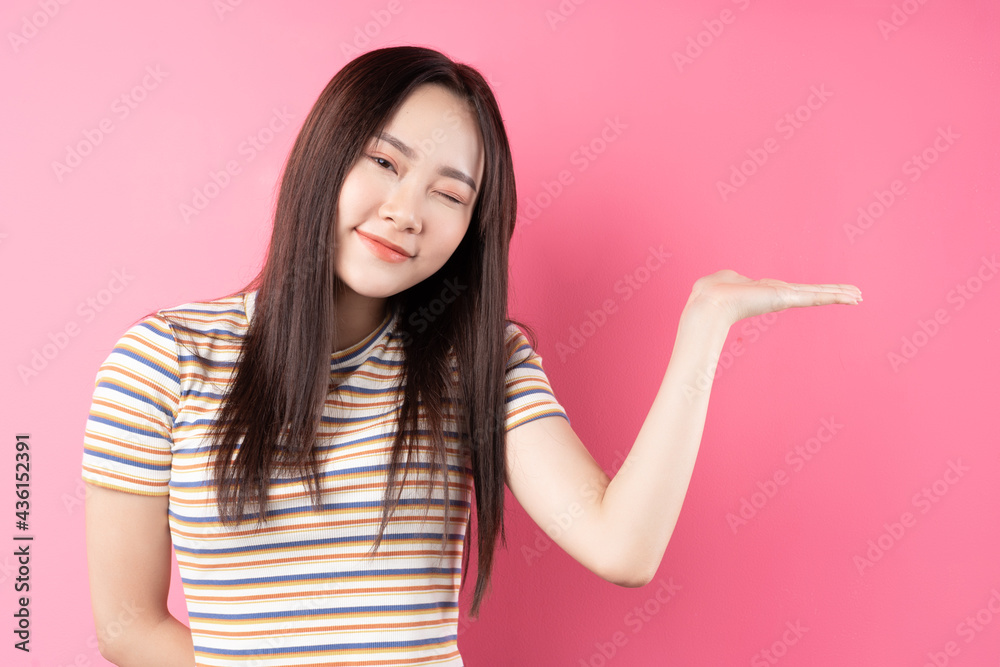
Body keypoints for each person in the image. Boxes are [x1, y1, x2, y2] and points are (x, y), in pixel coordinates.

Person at [81, 45, 862, 666]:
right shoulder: (165, 359)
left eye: (450, 195)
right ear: (323, 158)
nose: (405, 211)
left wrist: (704, 327)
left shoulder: (478, 366)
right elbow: (125, 626)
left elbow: (622, 546)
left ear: (472, 231)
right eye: (384, 163)